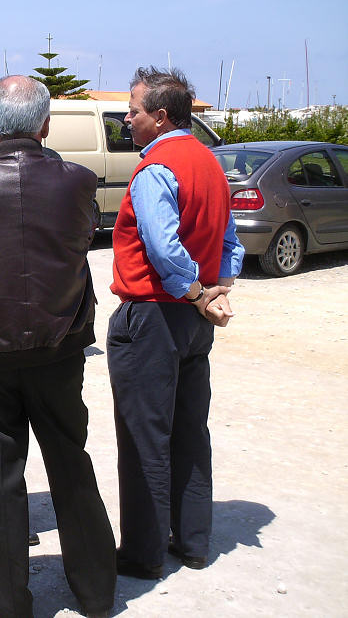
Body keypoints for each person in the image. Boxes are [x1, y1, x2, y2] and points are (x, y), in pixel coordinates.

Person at [0, 76, 116, 618]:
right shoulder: (78, 182)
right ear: (46, 126)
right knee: (71, 463)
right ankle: (96, 592)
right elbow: (83, 241)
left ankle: (6, 602)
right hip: (59, 349)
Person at [108, 67, 244, 580]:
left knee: (144, 434)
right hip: (192, 319)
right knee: (189, 429)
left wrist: (195, 291)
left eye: (133, 110)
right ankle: (193, 540)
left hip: (154, 314)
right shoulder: (210, 163)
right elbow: (230, 241)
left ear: (160, 116)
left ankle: (143, 553)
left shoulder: (156, 169)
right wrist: (216, 290)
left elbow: (163, 248)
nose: (127, 119)